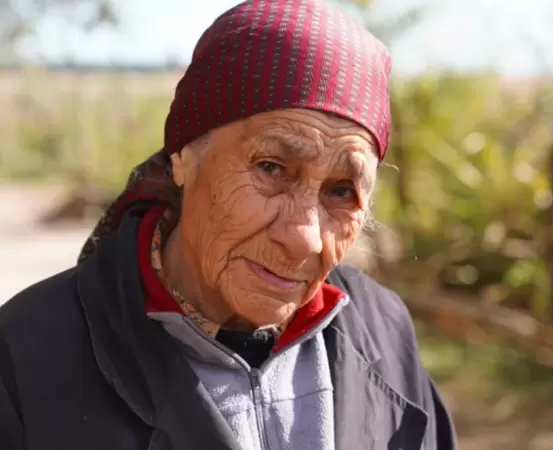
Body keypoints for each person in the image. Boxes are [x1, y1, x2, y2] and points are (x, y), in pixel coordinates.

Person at [0, 1, 456, 449]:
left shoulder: (383, 331)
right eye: (272, 168)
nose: (304, 238)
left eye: (341, 192)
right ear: (183, 155)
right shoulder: (28, 353)